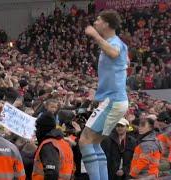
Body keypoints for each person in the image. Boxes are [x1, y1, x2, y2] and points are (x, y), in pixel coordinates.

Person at [79, 10, 129, 180]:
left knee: (85, 140)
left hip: (113, 100)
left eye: (98, 20)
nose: (95, 23)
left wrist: (95, 36)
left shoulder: (114, 42)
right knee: (94, 142)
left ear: (107, 24)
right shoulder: (116, 43)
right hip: (114, 100)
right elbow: (123, 60)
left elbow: (114, 53)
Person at [32, 112, 74, 180]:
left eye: (37, 128)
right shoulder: (64, 143)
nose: (36, 131)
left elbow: (51, 173)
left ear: (43, 128)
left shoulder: (49, 145)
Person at [155, 112, 171, 177]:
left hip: (166, 160)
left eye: (159, 121)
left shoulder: (169, 132)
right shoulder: (163, 128)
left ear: (165, 121)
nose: (158, 123)